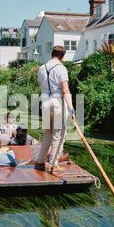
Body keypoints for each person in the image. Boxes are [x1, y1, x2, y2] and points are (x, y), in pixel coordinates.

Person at [35, 46, 76, 174]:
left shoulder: (41, 68)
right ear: (62, 56)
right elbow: (65, 90)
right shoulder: (61, 68)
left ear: (52, 54)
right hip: (57, 104)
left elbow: (42, 86)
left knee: (47, 133)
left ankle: (40, 162)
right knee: (58, 135)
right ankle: (53, 165)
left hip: (45, 104)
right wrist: (71, 109)